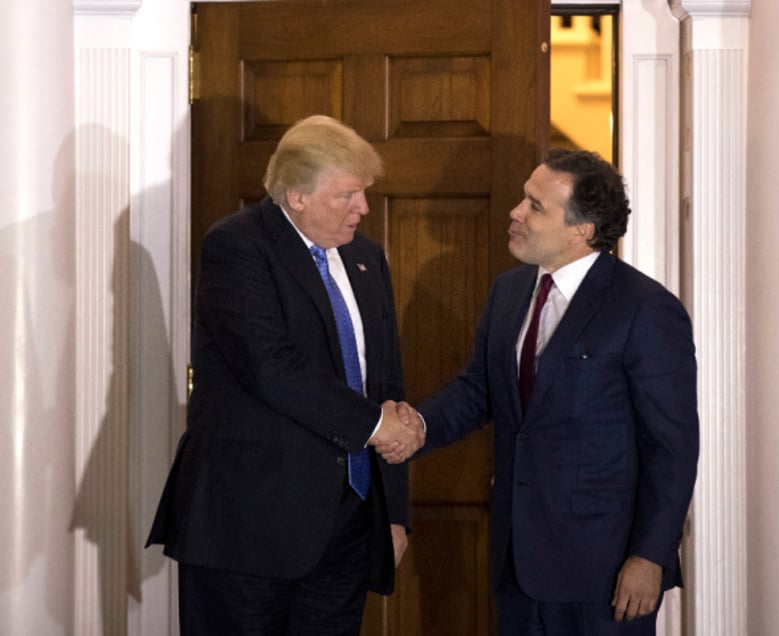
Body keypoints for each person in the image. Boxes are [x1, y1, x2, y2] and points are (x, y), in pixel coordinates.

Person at [387, 149, 699, 635]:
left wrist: (650, 556)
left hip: (606, 570)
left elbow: (672, 449)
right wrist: (415, 426)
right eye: (523, 198)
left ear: (583, 230)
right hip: (517, 560)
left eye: (535, 205)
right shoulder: (508, 292)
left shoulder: (644, 309)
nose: (515, 212)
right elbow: (478, 392)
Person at [146, 114, 424, 635]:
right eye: (348, 195)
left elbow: (384, 386)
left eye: (364, 192)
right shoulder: (238, 245)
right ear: (297, 196)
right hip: (248, 526)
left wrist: (393, 511)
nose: (363, 207)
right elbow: (271, 369)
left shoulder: (366, 257)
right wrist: (376, 426)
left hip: (347, 525)